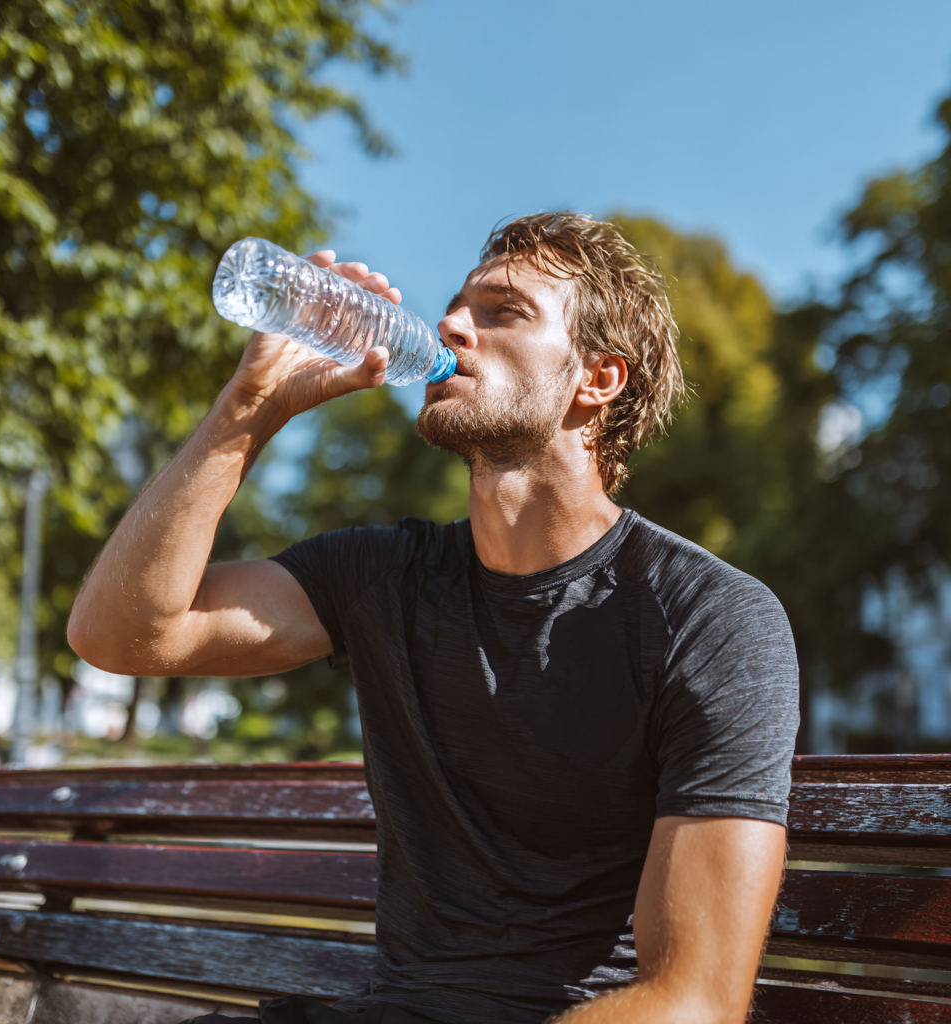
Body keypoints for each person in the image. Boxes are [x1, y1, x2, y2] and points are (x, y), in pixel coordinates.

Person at [68, 213, 799, 1024]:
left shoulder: (711, 619)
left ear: (598, 379)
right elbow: (122, 634)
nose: (451, 324)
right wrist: (249, 410)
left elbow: (692, 1001)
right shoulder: (379, 577)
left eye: (503, 311)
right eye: (457, 305)